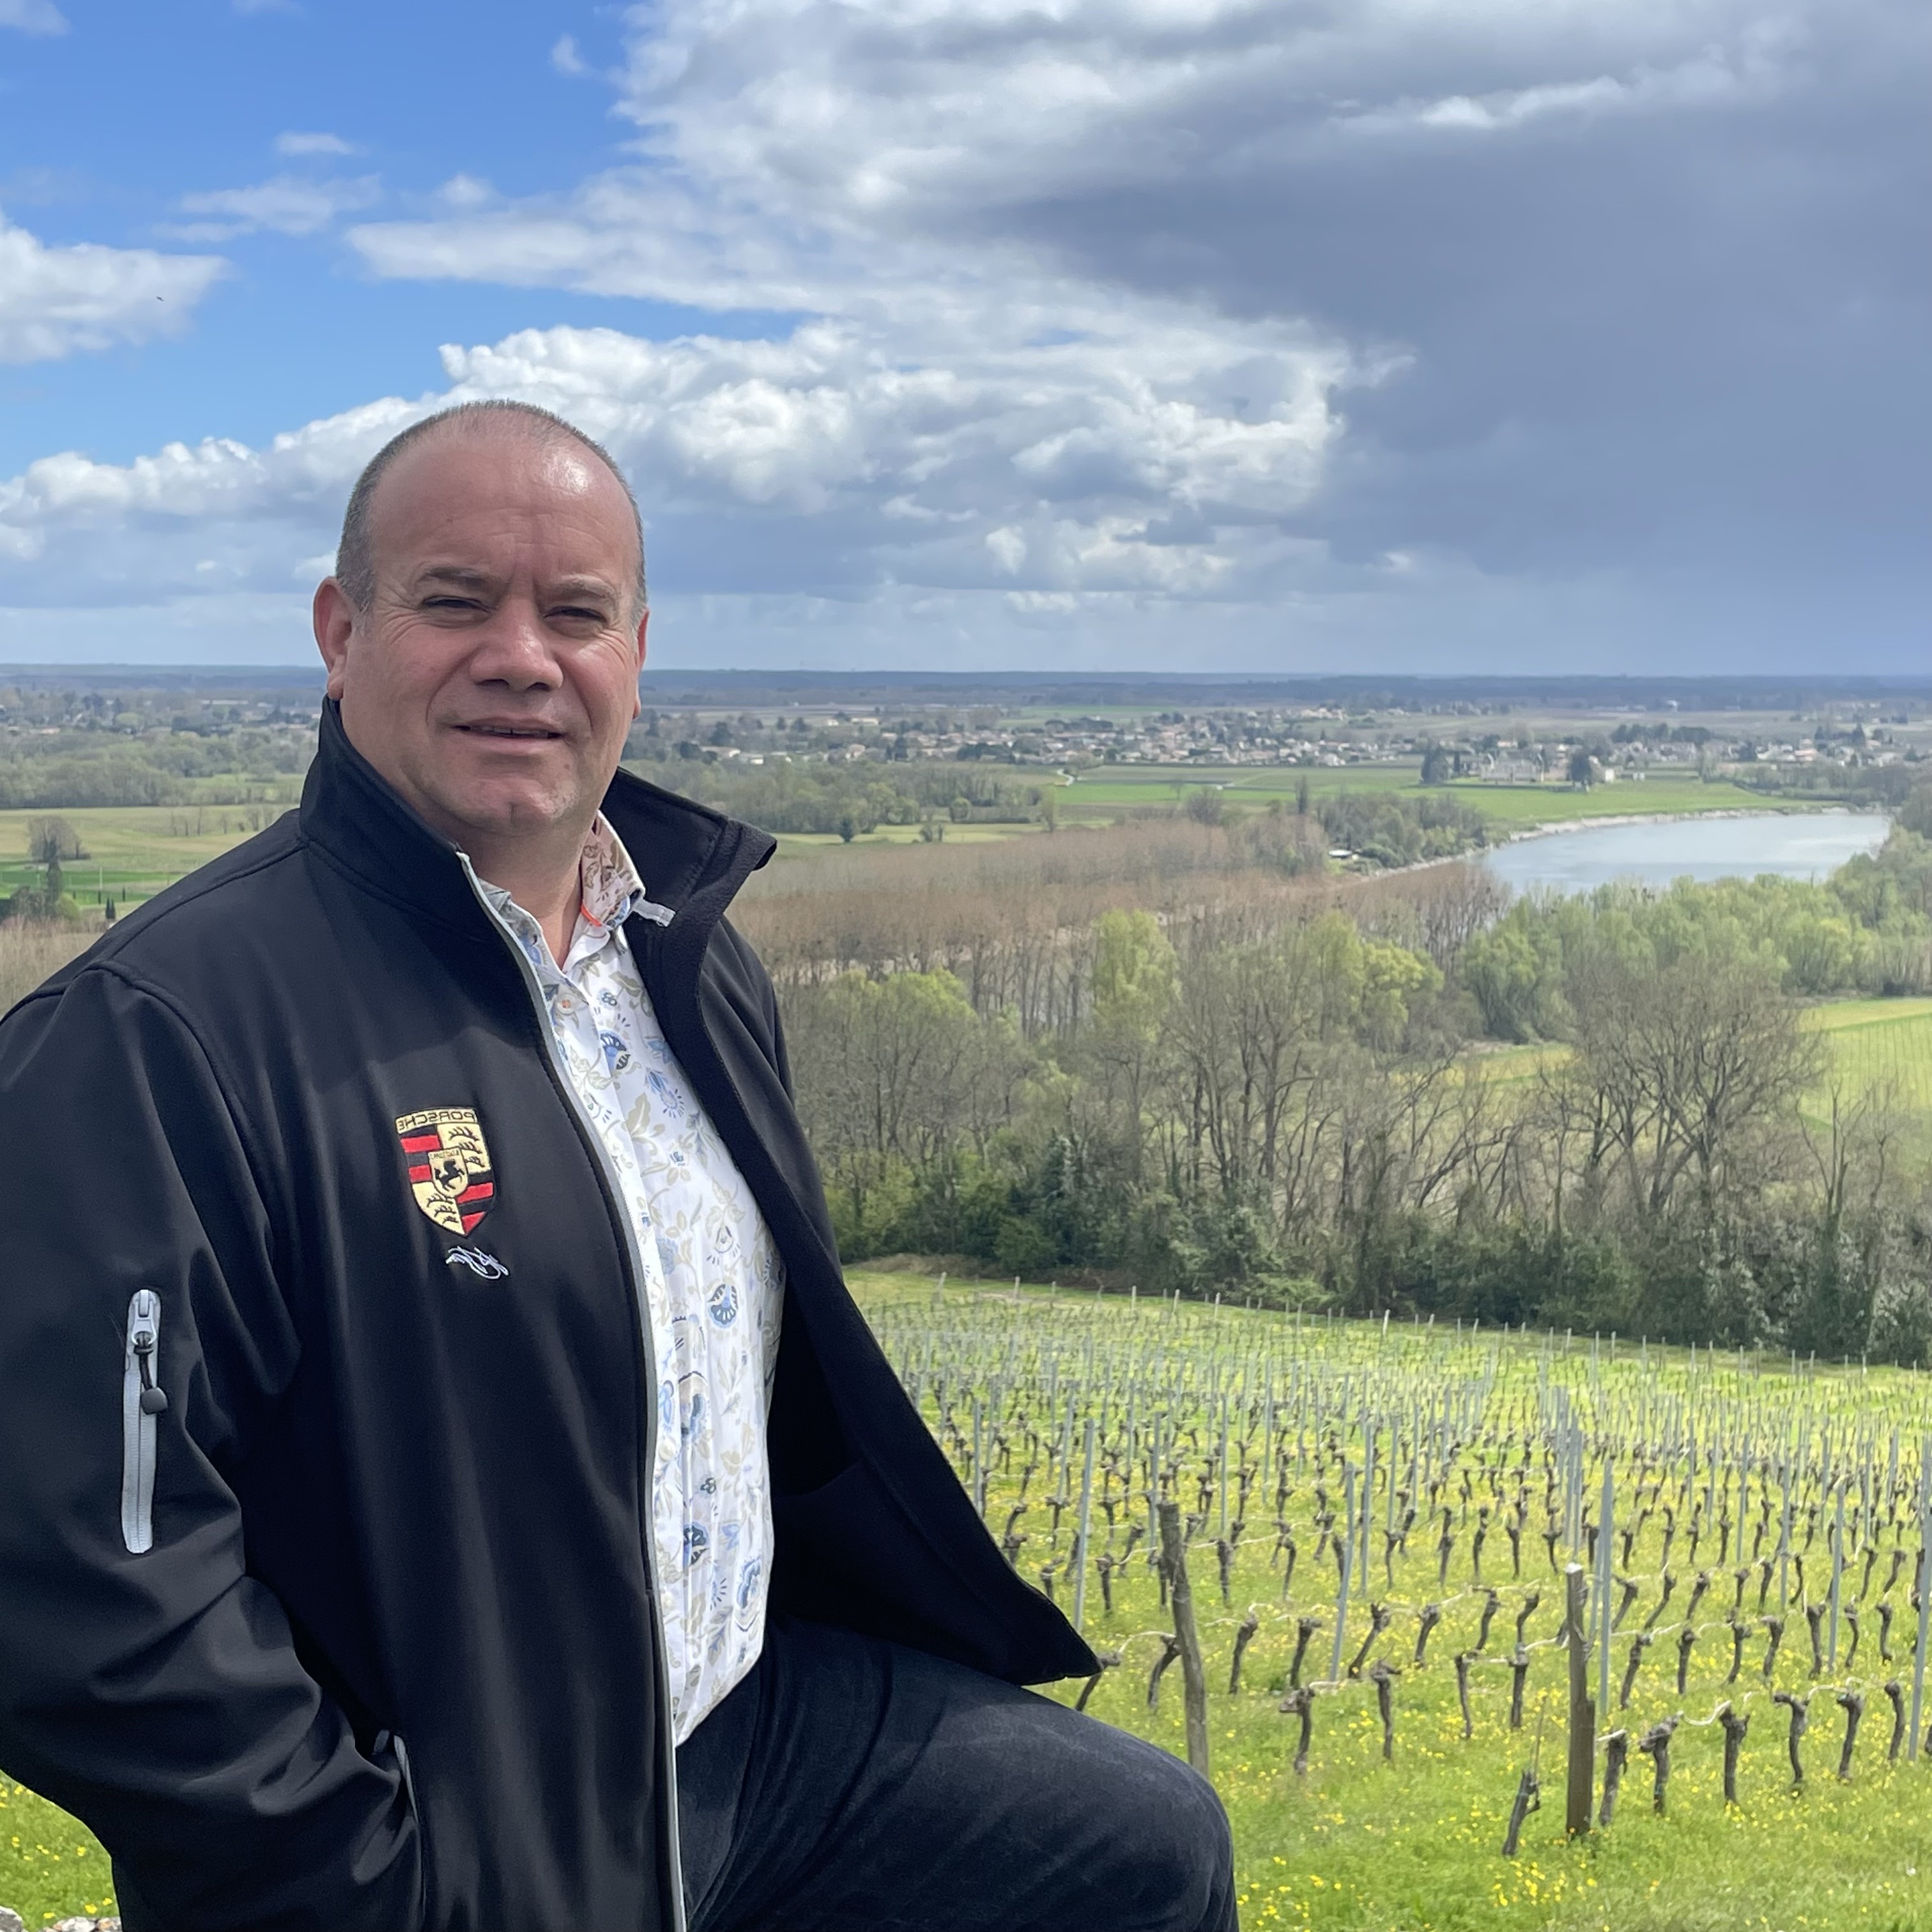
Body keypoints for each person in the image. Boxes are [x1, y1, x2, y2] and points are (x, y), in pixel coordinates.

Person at [0, 402, 1236, 1932]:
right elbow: (67, 1566)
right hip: (462, 1820)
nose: (522, 655)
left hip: (734, 1727)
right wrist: (361, 1878)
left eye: (576, 614)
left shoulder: (687, 965)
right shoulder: (155, 1032)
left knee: (1145, 1852)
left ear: (635, 655)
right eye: (456, 600)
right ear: (340, 632)